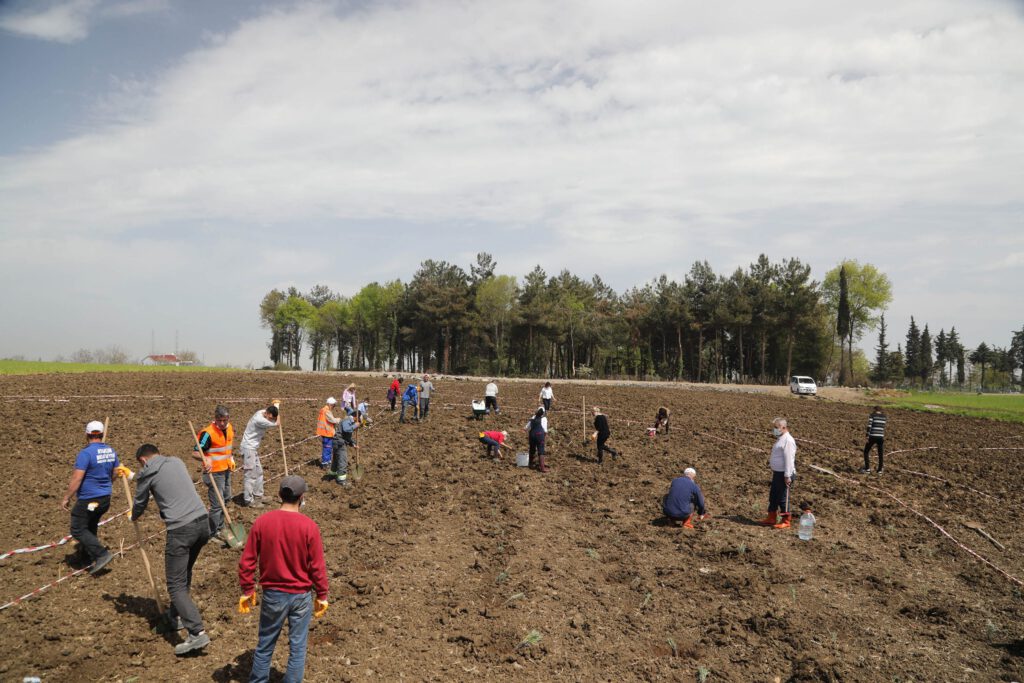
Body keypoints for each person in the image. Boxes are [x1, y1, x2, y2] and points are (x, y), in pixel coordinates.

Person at [238, 476, 329, 683]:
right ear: (301, 497)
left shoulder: (262, 522)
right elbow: (317, 566)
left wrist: (248, 590)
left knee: (265, 645)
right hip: (301, 596)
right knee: (298, 647)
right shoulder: (309, 527)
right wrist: (322, 594)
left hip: (273, 595)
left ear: (279, 495)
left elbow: (247, 561)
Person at [128, 444, 212, 655]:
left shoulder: (147, 472)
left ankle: (197, 632)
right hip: (203, 522)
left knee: (175, 585)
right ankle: (176, 616)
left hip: (181, 529)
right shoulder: (176, 461)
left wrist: (133, 515)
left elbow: (140, 503)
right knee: (184, 573)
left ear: (143, 460)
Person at [61, 420, 120, 574]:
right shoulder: (111, 451)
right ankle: (86, 556)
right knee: (90, 525)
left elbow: (77, 478)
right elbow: (116, 472)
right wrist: (106, 484)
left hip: (89, 499)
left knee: (77, 528)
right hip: (105, 498)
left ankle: (101, 554)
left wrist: (67, 497)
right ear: (102, 434)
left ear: (86, 435)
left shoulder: (85, 453)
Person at [193, 405, 235, 540]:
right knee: (217, 505)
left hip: (226, 469)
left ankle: (220, 526)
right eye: (219, 420)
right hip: (214, 473)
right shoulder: (207, 433)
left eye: (224, 420)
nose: (222, 423)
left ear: (228, 418)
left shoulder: (230, 428)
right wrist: (205, 459)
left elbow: (227, 448)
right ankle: (211, 533)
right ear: (215, 418)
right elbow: (195, 452)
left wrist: (231, 458)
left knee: (226, 498)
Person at [239, 402, 280, 508]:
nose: (271, 420)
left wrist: (276, 406)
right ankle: (248, 500)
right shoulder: (259, 419)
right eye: (270, 418)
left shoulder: (262, 412)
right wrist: (278, 413)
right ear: (268, 414)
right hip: (248, 449)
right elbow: (277, 423)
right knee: (250, 475)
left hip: (253, 449)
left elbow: (274, 417)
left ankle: (258, 496)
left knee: (259, 472)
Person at [759, 417, 797, 529]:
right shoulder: (781, 438)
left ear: (783, 427)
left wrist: (787, 476)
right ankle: (771, 517)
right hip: (778, 473)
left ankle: (786, 520)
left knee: (782, 497)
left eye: (776, 427)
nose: (774, 429)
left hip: (784, 474)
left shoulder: (788, 440)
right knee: (774, 495)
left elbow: (789, 459)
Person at [860, 406, 887, 475]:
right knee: (880, 454)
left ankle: (867, 469)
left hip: (872, 436)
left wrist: (867, 436)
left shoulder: (872, 415)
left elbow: (869, 426)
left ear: (875, 410)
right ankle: (879, 470)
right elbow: (883, 427)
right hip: (880, 437)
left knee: (866, 451)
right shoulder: (884, 417)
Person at [315, 397, 341, 469]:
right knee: (327, 448)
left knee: (327, 448)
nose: (334, 407)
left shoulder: (322, 410)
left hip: (323, 432)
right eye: (334, 405)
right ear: (330, 404)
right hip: (327, 433)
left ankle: (327, 462)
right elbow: (332, 420)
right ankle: (325, 463)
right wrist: (339, 419)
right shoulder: (327, 411)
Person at [524, 407, 549, 472]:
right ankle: (542, 468)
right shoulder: (544, 419)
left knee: (532, 449)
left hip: (532, 435)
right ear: (543, 413)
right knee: (541, 450)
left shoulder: (533, 417)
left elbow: (526, 428)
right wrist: (544, 436)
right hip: (539, 435)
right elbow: (545, 430)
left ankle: (530, 464)